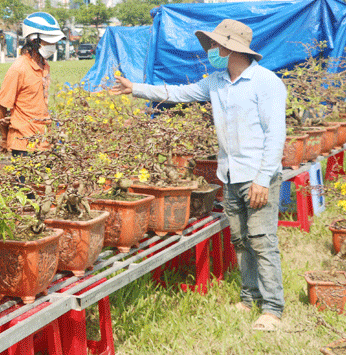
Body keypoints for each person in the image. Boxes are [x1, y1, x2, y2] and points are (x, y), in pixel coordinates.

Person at [111, 19, 287, 331]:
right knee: (242, 240)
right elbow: (177, 92)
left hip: (258, 177)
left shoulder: (266, 82)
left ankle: (272, 308)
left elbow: (275, 135)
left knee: (262, 241)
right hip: (230, 176)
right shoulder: (216, 82)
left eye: (216, 46)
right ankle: (249, 298)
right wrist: (135, 88)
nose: (212, 51)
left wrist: (263, 178)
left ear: (232, 48)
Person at [0, 12, 65, 156]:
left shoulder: (44, 65)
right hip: (23, 144)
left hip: (43, 141)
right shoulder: (19, 68)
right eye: (49, 41)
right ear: (34, 39)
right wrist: (4, 137)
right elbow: (1, 105)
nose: (53, 45)